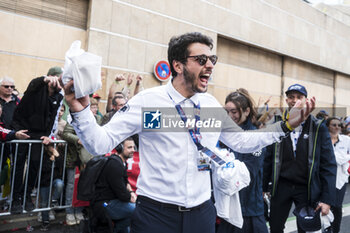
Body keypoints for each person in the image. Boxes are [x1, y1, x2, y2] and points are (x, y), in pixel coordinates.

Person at [63, 32, 315, 233]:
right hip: (155, 216)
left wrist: (286, 125)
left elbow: (241, 141)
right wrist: (81, 110)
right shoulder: (148, 102)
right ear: (178, 65)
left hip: (202, 214)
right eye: (201, 60)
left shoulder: (210, 106)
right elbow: (99, 143)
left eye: (212, 60)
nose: (210, 66)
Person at [263, 84, 336, 233]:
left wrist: (327, 199)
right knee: (275, 227)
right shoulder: (278, 123)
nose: (294, 100)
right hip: (281, 185)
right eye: (291, 97)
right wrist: (263, 188)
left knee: (306, 228)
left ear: (306, 100)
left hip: (306, 187)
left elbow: (328, 164)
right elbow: (268, 158)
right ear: (287, 100)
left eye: (299, 97)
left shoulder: (318, 126)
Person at [10, 68, 64, 214]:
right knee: (19, 166)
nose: (59, 83)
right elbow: (33, 84)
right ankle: (15, 199)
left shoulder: (58, 96)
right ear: (52, 77)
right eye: (58, 79)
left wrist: (47, 135)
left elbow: (52, 117)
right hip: (22, 129)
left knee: (34, 165)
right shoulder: (37, 86)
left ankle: (26, 196)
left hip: (39, 134)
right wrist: (44, 79)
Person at [217, 89, 268, 233]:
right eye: (226, 112)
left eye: (234, 112)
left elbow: (246, 173)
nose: (229, 116)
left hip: (249, 208)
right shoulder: (221, 135)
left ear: (246, 111)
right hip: (225, 208)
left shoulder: (256, 137)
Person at [91, 137, 136, 233]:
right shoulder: (115, 165)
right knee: (136, 209)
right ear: (120, 148)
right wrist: (131, 198)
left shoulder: (121, 162)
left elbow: (125, 180)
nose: (133, 150)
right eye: (129, 147)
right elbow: (122, 194)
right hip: (104, 204)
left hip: (112, 200)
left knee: (127, 223)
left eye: (133, 147)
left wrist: (131, 192)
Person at [326, 117, 350, 233]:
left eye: (339, 125)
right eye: (333, 125)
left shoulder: (346, 140)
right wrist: (342, 157)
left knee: (337, 206)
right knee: (326, 205)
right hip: (325, 179)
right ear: (327, 127)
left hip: (340, 179)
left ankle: (336, 230)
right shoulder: (323, 140)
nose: (337, 127)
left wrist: (340, 157)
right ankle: (327, 228)